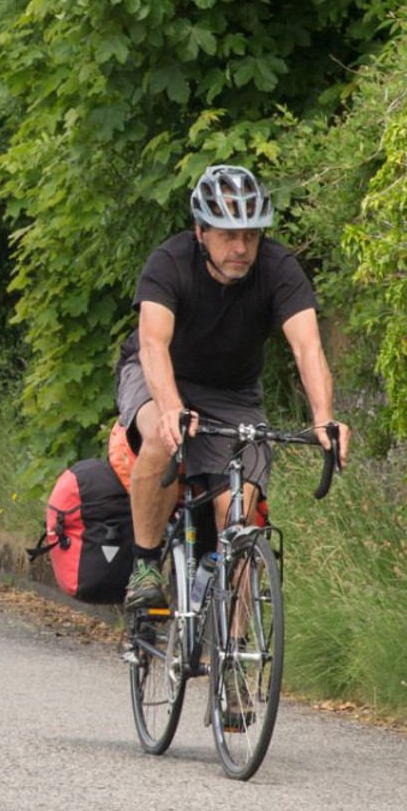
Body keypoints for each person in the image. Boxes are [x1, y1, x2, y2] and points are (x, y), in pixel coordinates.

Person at [118, 164, 347, 610]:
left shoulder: (278, 267)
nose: (241, 247)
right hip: (158, 375)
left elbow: (307, 348)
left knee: (239, 515)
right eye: (227, 234)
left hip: (233, 395)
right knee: (164, 438)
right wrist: (170, 408)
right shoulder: (169, 262)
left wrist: (324, 418)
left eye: (251, 235)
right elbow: (152, 344)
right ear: (200, 231)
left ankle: (236, 656)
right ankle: (144, 566)